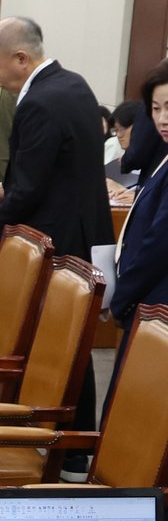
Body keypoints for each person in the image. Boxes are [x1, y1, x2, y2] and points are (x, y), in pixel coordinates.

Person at [0, 15, 113, 482]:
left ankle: (66, 448)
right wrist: (4, 185)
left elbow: (31, 186)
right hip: (79, 230)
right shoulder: (72, 85)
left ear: (21, 59)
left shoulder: (39, 101)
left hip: (56, 240)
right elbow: (49, 165)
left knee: (61, 342)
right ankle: (70, 449)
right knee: (72, 342)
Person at [108, 61, 168, 331]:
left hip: (157, 307)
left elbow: (158, 244)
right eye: (156, 109)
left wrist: (122, 299)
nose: (162, 119)